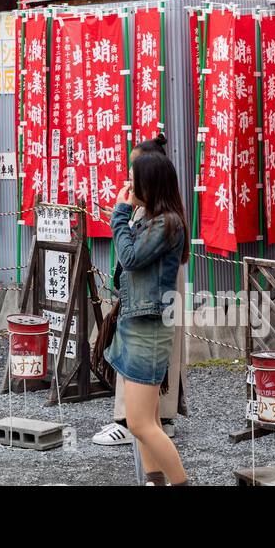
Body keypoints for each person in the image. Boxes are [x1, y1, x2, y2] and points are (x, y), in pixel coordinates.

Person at [93, 134, 188, 447]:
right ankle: (153, 472)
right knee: (145, 425)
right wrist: (123, 216)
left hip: (150, 316)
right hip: (139, 313)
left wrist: (120, 216)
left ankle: (142, 425)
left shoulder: (166, 221)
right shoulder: (154, 214)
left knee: (143, 424)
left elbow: (131, 257)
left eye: (133, 176)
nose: (128, 183)